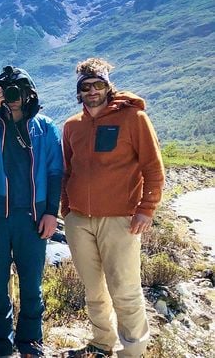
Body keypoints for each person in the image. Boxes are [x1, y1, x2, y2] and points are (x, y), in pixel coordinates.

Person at [61, 58, 164, 358]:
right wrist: (67, 208)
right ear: (79, 92)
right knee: (93, 289)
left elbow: (153, 168)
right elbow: (67, 171)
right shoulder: (72, 126)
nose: (92, 91)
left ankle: (133, 350)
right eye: (86, 87)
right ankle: (101, 342)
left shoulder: (134, 119)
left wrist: (147, 208)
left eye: (98, 85)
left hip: (121, 219)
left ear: (108, 86)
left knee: (125, 289)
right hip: (79, 220)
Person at [0, 66, 63, 358]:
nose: (12, 98)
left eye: (17, 93)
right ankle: (0, 340)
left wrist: (51, 212)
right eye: (5, 92)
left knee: (32, 284)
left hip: (33, 218)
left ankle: (31, 342)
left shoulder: (45, 127)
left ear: (28, 94)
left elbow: (55, 171)